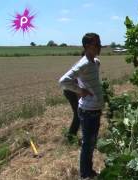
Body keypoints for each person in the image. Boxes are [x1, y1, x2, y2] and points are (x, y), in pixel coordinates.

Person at [59, 33, 104, 179]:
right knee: (87, 145)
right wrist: (81, 91)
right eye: (96, 44)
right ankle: (85, 174)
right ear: (87, 47)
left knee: (91, 143)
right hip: (88, 111)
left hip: (95, 109)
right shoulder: (83, 63)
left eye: (99, 43)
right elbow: (64, 81)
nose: (99, 46)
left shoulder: (94, 62)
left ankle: (88, 171)